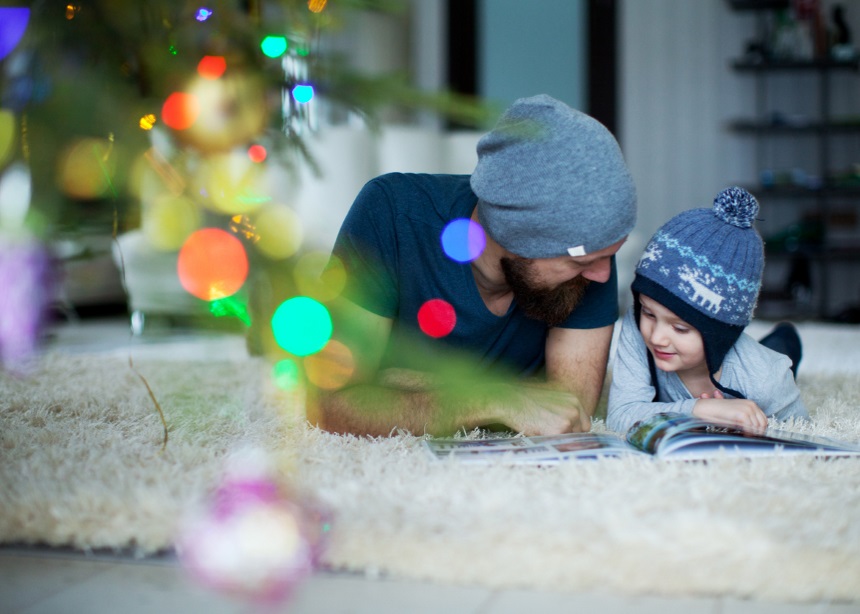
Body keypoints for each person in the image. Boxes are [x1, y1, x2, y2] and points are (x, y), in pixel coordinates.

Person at [310, 94, 637, 437]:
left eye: (607, 255)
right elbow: (329, 404)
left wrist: (395, 382)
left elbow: (570, 409)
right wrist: (490, 396)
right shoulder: (391, 213)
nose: (602, 274)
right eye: (579, 261)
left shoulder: (591, 257)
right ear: (515, 238)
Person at [606, 187, 810, 435]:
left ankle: (784, 339)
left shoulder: (766, 378)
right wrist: (700, 409)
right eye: (649, 313)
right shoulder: (638, 324)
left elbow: (801, 432)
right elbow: (620, 416)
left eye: (680, 328)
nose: (656, 337)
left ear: (718, 334)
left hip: (760, 363)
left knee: (776, 353)